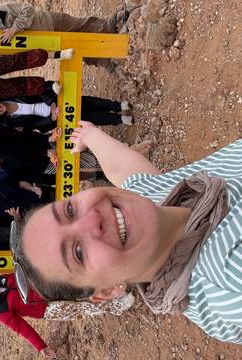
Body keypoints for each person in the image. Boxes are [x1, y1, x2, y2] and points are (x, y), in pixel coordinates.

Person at [14, 120, 242, 344]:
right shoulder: (229, 278)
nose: (92, 219)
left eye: (70, 210)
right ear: (107, 291)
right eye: (78, 253)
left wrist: (89, 135)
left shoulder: (155, 203)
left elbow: (124, 170)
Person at [0, 273, 134, 359]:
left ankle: (112, 289)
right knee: (83, 308)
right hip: (46, 308)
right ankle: (118, 306)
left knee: (81, 289)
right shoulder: (0, 312)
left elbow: (22, 275)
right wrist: (41, 347)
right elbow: (23, 329)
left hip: (47, 287)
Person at [0, 3, 130, 71]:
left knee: (80, 25)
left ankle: (110, 25)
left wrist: (14, 29)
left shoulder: (2, 9)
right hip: (48, 44)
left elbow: (28, 9)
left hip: (48, 21)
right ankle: (103, 61)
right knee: (76, 50)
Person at [0, 84, 134, 130]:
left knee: (88, 102)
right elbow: (34, 125)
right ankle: (119, 118)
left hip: (54, 100)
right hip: (55, 118)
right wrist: (51, 118)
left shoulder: (13, 93)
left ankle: (118, 105)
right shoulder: (11, 121)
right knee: (89, 118)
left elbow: (37, 90)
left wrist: (51, 103)